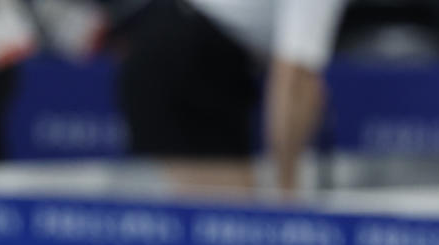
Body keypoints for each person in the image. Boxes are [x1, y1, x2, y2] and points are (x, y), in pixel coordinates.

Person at [115, 0, 350, 194]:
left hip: (199, 56)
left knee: (234, 223)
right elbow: (294, 78)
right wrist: (287, 188)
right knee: (227, 228)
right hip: (183, 61)